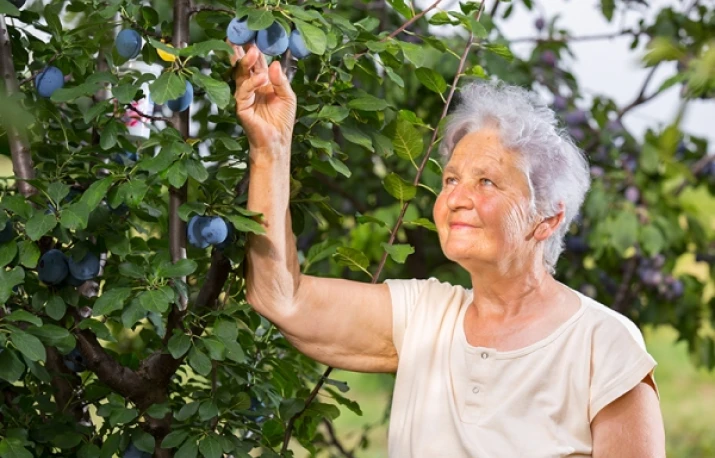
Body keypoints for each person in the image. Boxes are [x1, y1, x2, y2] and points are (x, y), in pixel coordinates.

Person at [229, 43, 666, 458]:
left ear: (547, 218)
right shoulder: (425, 316)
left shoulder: (602, 343)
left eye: (486, 182)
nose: (456, 197)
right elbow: (281, 297)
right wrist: (271, 149)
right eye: (451, 180)